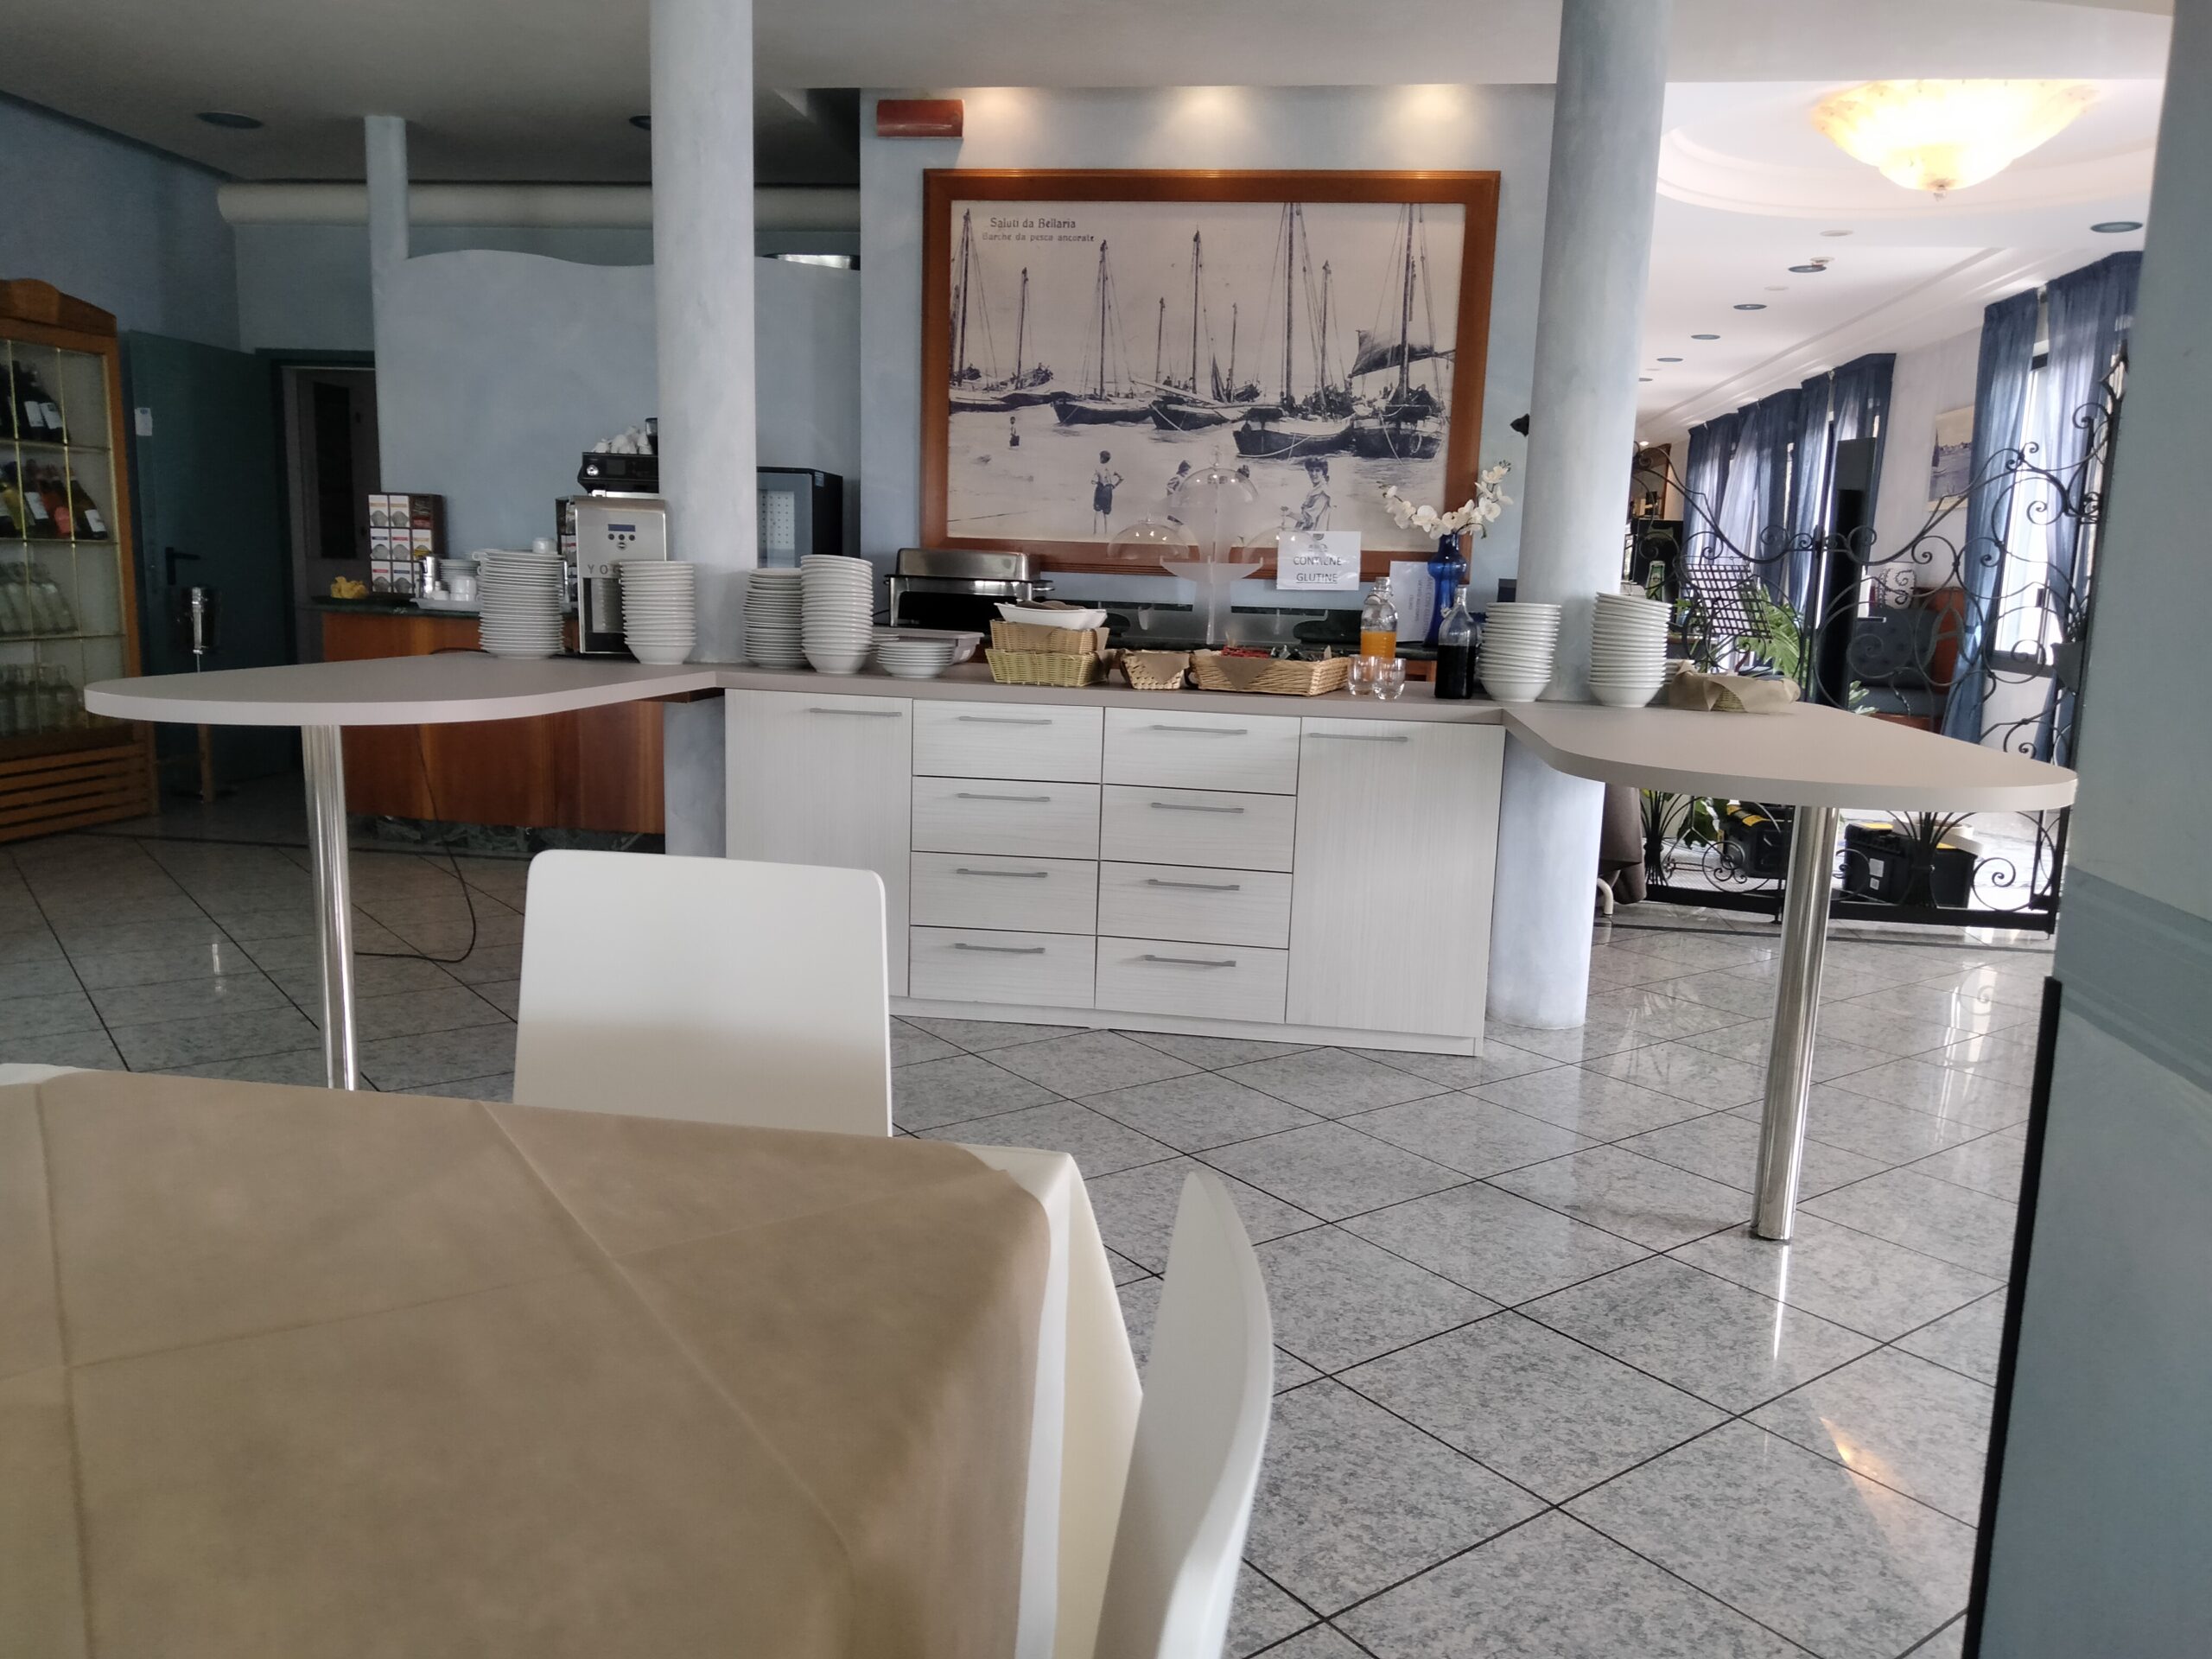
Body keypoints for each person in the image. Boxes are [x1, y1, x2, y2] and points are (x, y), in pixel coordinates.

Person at [1295, 458, 1333, 531]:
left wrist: (1289, 513)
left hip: (1316, 533)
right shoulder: (1315, 490)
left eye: (1317, 470)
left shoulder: (1322, 492)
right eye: (1311, 470)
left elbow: (1308, 520)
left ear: (1323, 473)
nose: (1313, 474)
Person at [1090, 451, 1122, 532]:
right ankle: (1106, 532)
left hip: (1100, 489)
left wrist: (1096, 482)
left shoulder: (1098, 469)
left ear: (1101, 458)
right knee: (1106, 513)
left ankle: (1095, 532)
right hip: (1108, 490)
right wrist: (1114, 486)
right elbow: (1121, 478)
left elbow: (1092, 481)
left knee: (1097, 512)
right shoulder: (1112, 469)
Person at [1163, 459, 1192, 524]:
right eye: (1186, 470)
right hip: (1176, 503)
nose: (1187, 472)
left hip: (1183, 503)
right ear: (1182, 469)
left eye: (1188, 470)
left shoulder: (1185, 479)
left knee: (1181, 520)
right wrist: (1176, 495)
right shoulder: (1177, 477)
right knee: (1174, 520)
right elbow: (1169, 487)